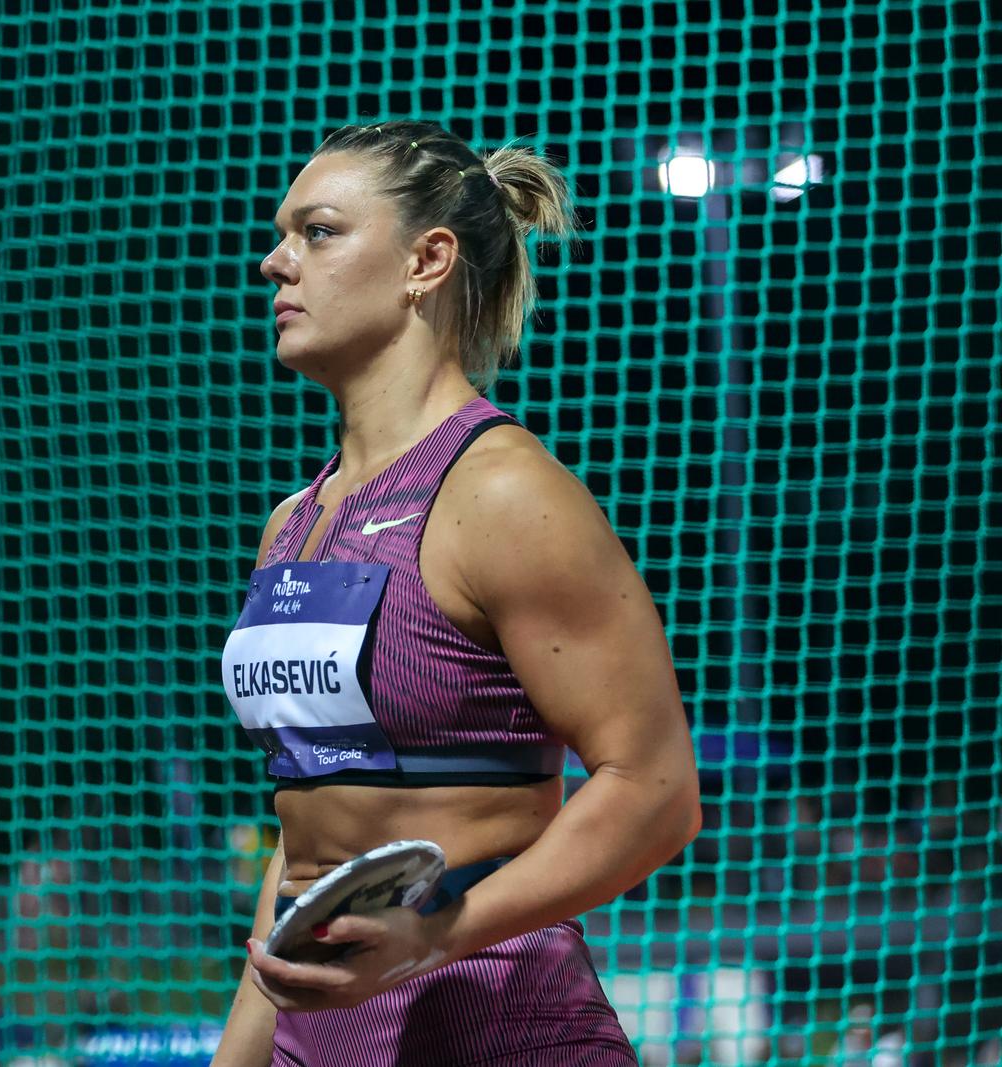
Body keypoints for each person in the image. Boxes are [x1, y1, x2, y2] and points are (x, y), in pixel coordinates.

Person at [213, 121, 702, 1065]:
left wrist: (436, 934)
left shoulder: (503, 491)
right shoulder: (293, 523)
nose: (275, 262)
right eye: (283, 236)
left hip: (491, 1018)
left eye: (316, 231)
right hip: (321, 1033)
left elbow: (656, 789)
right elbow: (310, 828)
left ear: (426, 261)